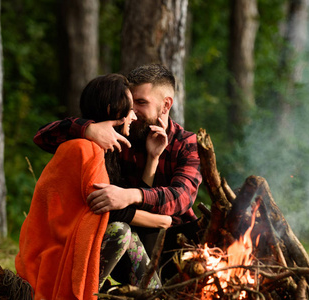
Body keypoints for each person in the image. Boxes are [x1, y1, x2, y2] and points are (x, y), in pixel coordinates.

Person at [33, 64, 203, 281]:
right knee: (120, 231)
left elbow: (181, 198)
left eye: (141, 103)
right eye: (131, 103)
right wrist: (88, 129)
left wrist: (130, 194)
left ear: (166, 104)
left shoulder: (186, 142)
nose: (133, 112)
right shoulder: (116, 134)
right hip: (127, 237)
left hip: (176, 247)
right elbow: (43, 137)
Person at [15, 74, 171, 300]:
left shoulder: (112, 149)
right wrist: (162, 221)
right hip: (56, 257)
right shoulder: (84, 148)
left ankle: (158, 297)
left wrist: (153, 159)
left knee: (129, 235)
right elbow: (107, 207)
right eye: (129, 109)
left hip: (77, 249)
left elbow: (124, 200)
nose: (134, 115)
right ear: (112, 109)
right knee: (121, 231)